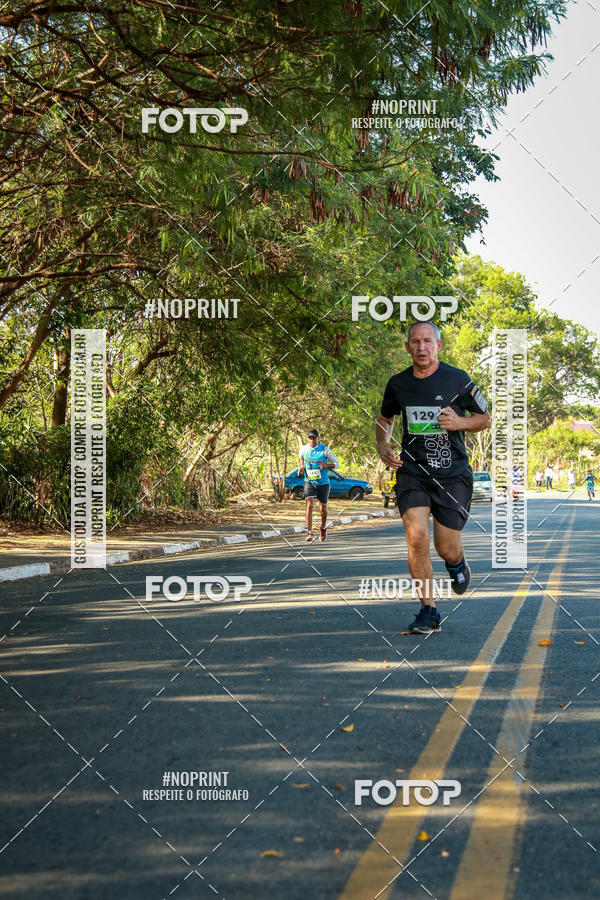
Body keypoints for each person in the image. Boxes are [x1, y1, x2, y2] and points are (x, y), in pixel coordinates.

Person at [376, 321, 491, 634]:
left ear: (439, 345)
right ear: (408, 347)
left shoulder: (458, 380)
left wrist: (459, 422)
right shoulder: (398, 383)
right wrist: (383, 443)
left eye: (427, 341)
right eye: (415, 341)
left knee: (445, 547)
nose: (421, 347)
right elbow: (385, 418)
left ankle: (457, 563)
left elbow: (485, 418)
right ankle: (428, 611)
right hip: (412, 472)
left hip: (452, 475)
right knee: (416, 539)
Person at [298, 428, 339, 542]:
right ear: (307, 439)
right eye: (310, 438)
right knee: (309, 504)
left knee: (323, 508)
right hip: (309, 482)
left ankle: (323, 527)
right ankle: (309, 532)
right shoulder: (303, 449)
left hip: (323, 483)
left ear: (318, 438)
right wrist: (301, 466)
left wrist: (326, 465)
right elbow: (301, 458)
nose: (312, 440)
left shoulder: (324, 450)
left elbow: (337, 464)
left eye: (314, 438)